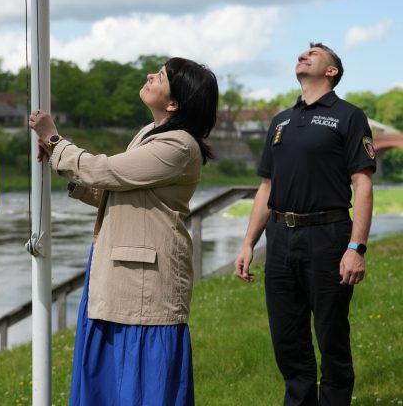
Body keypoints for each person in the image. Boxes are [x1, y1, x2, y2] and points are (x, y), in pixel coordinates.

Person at [29, 57, 219, 406]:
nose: (150, 75)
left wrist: (55, 140)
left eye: (160, 76)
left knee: (142, 387)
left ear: (174, 103)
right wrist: (68, 171)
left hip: (146, 287)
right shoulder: (149, 134)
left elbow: (106, 171)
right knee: (110, 386)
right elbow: (117, 189)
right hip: (119, 277)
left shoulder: (178, 145)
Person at [234, 42, 376, 406]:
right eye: (303, 51)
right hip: (280, 239)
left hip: (328, 237)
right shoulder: (281, 121)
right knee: (288, 340)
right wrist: (249, 243)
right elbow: (266, 187)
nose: (305, 54)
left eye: (315, 52)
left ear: (331, 70)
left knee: (331, 336)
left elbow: (362, 183)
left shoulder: (349, 116)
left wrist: (356, 247)